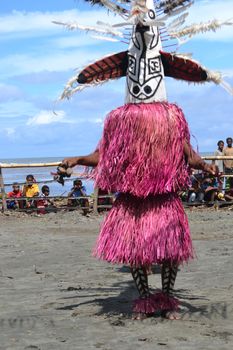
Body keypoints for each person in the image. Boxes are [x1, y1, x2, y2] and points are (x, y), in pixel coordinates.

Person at [58, 0, 224, 321]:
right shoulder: (118, 120)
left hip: (164, 200)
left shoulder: (173, 117)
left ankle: (168, 297)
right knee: (136, 253)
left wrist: (204, 166)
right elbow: (104, 157)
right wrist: (78, 157)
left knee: (169, 252)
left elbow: (186, 154)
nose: (144, 30)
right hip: (132, 201)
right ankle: (145, 298)